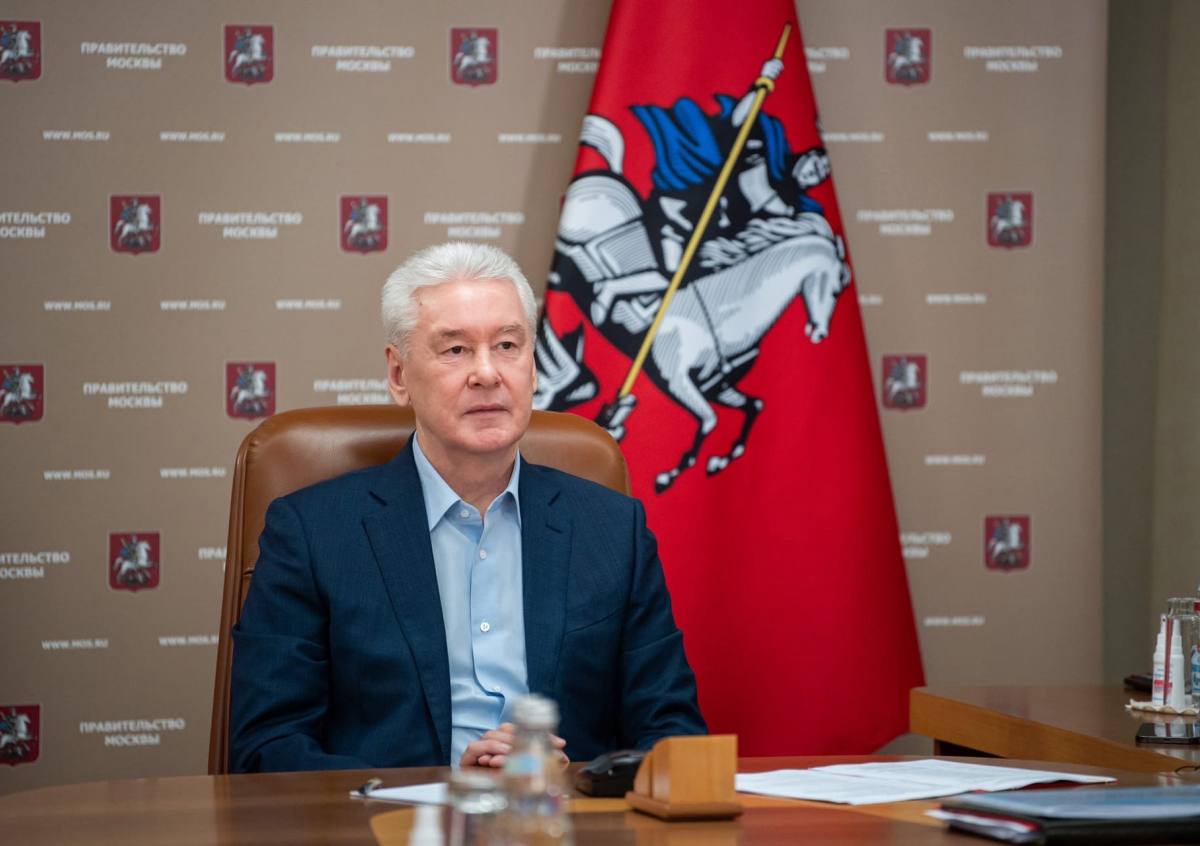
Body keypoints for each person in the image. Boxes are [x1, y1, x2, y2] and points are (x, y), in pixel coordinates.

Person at [229, 242, 706, 772]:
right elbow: (266, 748)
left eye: (507, 346)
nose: (487, 373)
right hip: (394, 815)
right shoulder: (313, 534)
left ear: (533, 366)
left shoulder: (612, 529)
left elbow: (672, 732)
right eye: (455, 350)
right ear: (399, 375)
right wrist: (449, 786)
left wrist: (578, 781)